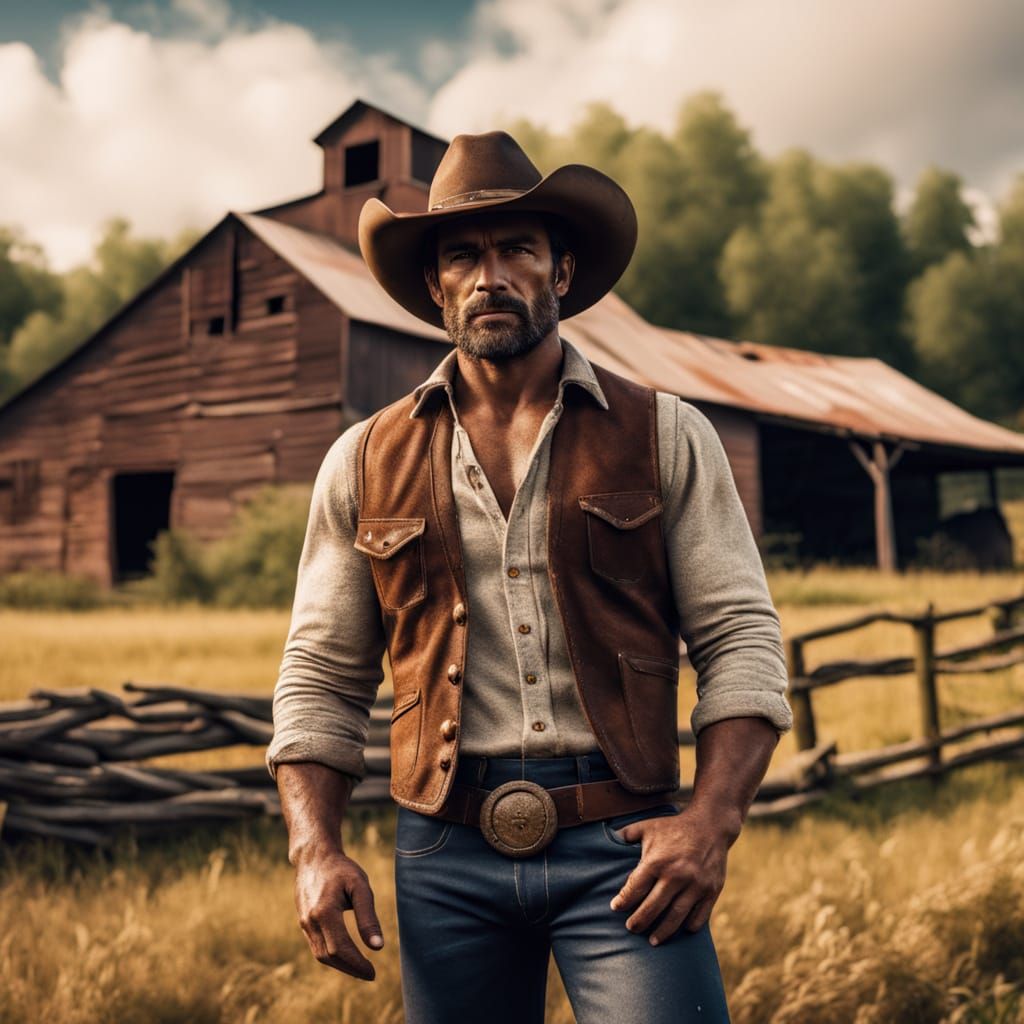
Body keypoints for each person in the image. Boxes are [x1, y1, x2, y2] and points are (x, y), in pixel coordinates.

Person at [265, 129, 794, 1024]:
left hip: (622, 842)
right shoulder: (363, 459)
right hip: (443, 851)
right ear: (436, 284)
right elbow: (319, 672)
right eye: (463, 255)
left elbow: (741, 638)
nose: (490, 276)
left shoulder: (667, 433)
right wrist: (314, 849)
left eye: (518, 249)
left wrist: (710, 822)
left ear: (561, 270)